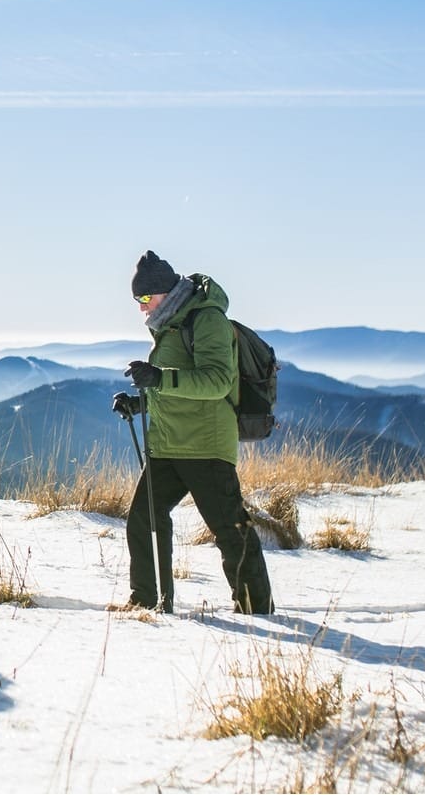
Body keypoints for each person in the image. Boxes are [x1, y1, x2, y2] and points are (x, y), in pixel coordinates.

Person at [111, 250, 274, 615]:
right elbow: (174, 387)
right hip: (168, 443)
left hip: (204, 444)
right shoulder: (169, 325)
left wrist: (159, 378)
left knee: (230, 529)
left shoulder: (207, 319)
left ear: (164, 292)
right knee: (143, 519)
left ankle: (256, 609)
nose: (140, 307)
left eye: (143, 298)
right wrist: (141, 402)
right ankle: (148, 602)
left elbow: (216, 382)